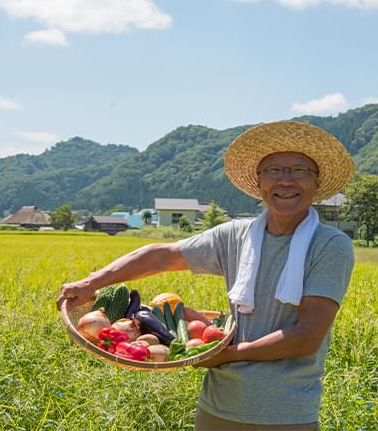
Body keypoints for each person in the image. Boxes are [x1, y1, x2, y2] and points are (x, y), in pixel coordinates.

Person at [56, 120, 355, 430]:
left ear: (316, 183)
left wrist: (227, 355)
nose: (286, 181)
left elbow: (306, 337)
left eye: (299, 171)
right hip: (217, 408)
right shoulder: (235, 236)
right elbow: (162, 255)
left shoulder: (329, 245)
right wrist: (92, 283)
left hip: (284, 413)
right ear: (259, 180)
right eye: (274, 170)